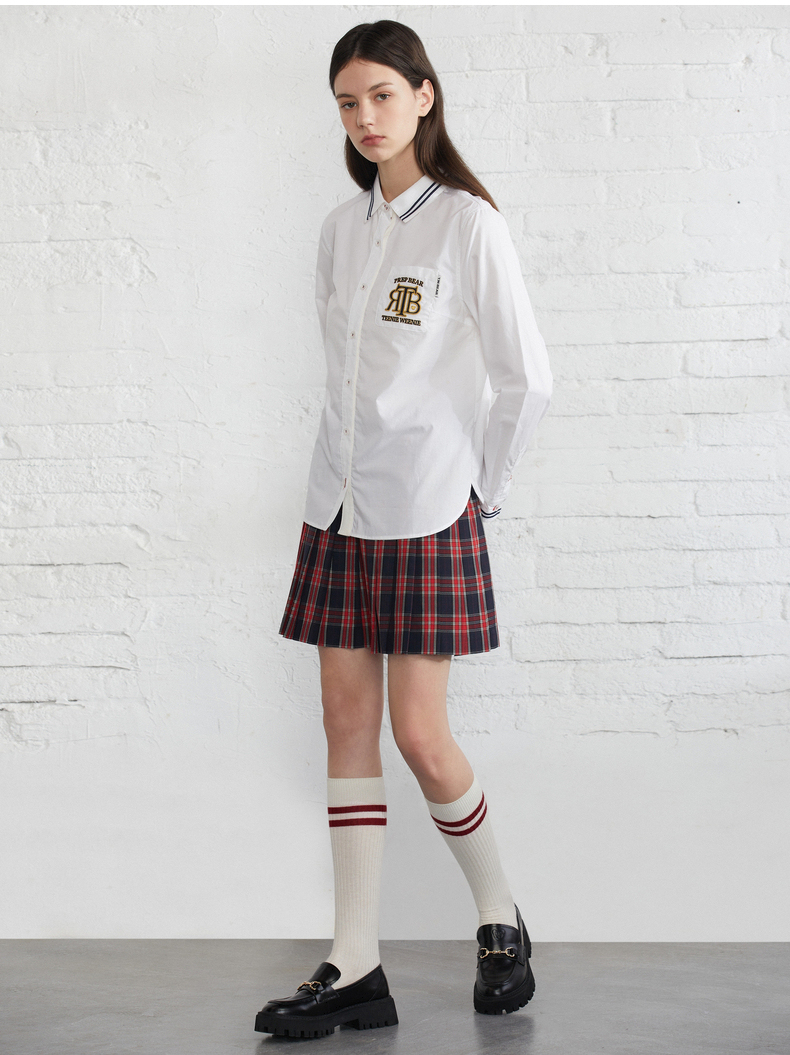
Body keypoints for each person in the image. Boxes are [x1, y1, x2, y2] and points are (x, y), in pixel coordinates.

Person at [255, 19, 553, 1039]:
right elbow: (346, 374)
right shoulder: (341, 230)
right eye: (348, 102)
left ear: (424, 95)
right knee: (344, 726)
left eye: (382, 94)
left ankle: (498, 914)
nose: (364, 117)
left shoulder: (469, 224)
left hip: (428, 508)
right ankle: (354, 961)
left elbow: (526, 380)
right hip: (337, 507)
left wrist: (483, 492)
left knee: (421, 737)